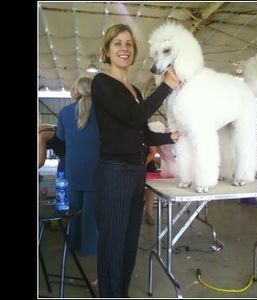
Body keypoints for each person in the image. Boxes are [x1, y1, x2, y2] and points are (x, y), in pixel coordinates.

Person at [91, 23, 181, 298]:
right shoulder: (102, 83)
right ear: (107, 51)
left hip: (134, 173)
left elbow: (142, 133)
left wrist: (170, 138)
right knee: (114, 245)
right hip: (114, 173)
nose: (124, 48)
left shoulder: (135, 90)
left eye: (128, 43)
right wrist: (165, 88)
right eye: (117, 43)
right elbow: (132, 117)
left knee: (129, 245)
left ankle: (121, 293)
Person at [56, 76, 100, 257]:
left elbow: (60, 137)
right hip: (96, 169)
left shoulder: (65, 112)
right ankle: (90, 249)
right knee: (90, 215)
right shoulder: (101, 111)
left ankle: (72, 245)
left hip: (74, 169)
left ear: (75, 91)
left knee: (73, 210)